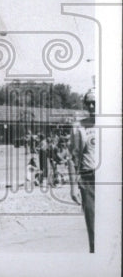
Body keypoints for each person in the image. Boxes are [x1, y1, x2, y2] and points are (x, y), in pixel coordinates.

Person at [70, 88, 97, 252]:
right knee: (94, 229)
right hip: (89, 181)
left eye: (95, 102)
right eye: (89, 103)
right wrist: (73, 186)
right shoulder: (79, 127)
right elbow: (72, 158)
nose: (92, 106)